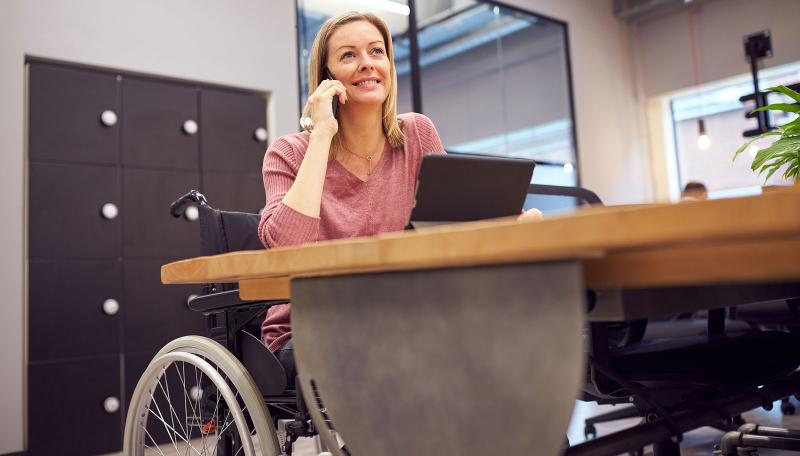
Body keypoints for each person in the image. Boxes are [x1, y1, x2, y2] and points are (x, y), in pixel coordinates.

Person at [257, 11, 540, 384]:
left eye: (377, 51)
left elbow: (457, 218)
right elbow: (283, 247)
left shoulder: (417, 134)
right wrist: (322, 132)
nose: (367, 65)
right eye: (348, 55)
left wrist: (514, 223)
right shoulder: (289, 153)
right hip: (313, 327)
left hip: (408, 315)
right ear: (326, 80)